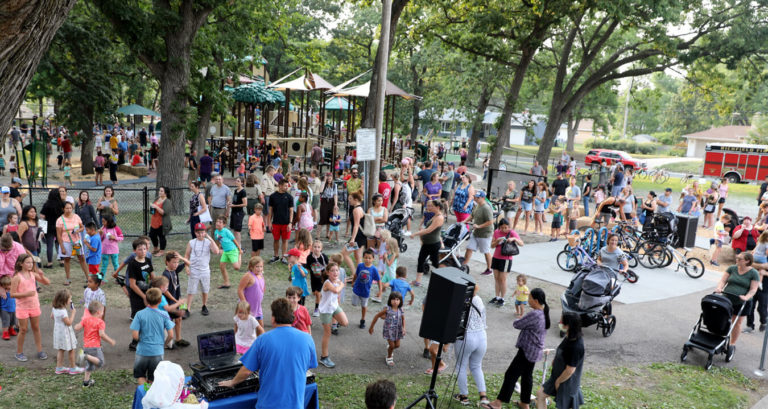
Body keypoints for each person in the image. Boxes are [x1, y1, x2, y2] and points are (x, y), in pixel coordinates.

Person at [220, 299, 318, 409]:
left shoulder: (263, 340)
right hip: (295, 405)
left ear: (273, 318)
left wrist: (233, 382)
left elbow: (247, 371)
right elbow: (309, 365)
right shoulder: (307, 339)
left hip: (268, 404)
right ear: (292, 317)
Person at [482, 288, 550, 409]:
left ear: (535, 300)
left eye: (529, 298)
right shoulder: (543, 312)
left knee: (511, 375)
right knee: (527, 377)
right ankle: (525, 404)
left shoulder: (535, 314)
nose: (528, 300)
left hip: (527, 350)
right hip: (535, 351)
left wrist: (518, 318)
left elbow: (517, 324)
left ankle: (498, 403)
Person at [535, 312, 585, 409]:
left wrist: (558, 381)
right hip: (557, 376)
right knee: (540, 394)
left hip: (566, 381)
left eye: (562, 321)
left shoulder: (576, 346)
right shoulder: (569, 336)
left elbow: (570, 370)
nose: (560, 322)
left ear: (568, 325)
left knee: (565, 406)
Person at [451, 285, 489, 406]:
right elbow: (483, 318)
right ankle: (483, 396)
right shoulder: (478, 299)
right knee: (477, 366)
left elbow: (456, 322)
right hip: (482, 336)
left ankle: (464, 396)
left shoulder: (459, 302)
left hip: (467, 337)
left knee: (461, 366)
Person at [130, 288, 174, 385]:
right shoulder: (164, 314)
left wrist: (142, 341)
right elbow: (171, 335)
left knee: (140, 376)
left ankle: (144, 394)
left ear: (146, 299)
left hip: (142, 351)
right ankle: (151, 397)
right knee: (154, 378)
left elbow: (135, 335)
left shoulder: (139, 314)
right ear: (159, 301)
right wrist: (164, 344)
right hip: (158, 352)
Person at [11, 254, 50, 361]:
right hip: (22, 307)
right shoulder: (16, 277)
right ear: (20, 264)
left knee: (36, 328)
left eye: (31, 262)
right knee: (23, 330)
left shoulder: (33, 274)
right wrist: (26, 294)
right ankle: (19, 353)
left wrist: (41, 275)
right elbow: (12, 294)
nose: (30, 264)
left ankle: (40, 351)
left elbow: (47, 282)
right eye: (27, 262)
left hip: (34, 305)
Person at [74, 300, 115, 387]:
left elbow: (77, 327)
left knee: (90, 365)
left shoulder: (86, 319)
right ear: (98, 312)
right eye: (103, 311)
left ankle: (86, 382)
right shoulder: (100, 322)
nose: (103, 313)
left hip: (86, 346)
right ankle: (85, 356)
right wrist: (110, 340)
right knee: (100, 362)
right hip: (95, 347)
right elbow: (102, 334)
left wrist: (79, 324)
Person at [184, 223, 221, 318]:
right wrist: (187, 267)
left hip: (205, 270)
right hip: (194, 270)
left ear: (205, 232)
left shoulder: (208, 242)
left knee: (205, 289)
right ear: (195, 233)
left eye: (202, 232)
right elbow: (186, 255)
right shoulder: (191, 242)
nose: (200, 234)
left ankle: (204, 305)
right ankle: (187, 308)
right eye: (198, 232)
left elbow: (216, 251)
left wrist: (209, 237)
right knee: (191, 290)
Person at [318, 262, 348, 368]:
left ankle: (333, 320)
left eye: (337, 270)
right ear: (327, 273)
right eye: (332, 270)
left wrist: (341, 284)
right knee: (328, 333)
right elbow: (336, 290)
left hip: (334, 307)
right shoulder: (327, 283)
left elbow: (337, 296)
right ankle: (324, 357)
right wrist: (342, 284)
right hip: (326, 310)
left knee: (345, 322)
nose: (335, 272)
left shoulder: (338, 281)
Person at [411, 200, 445, 287]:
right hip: (427, 243)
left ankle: (445, 278)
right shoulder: (435, 215)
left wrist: (415, 234)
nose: (429, 207)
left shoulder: (439, 217)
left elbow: (429, 230)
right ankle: (418, 281)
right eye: (428, 206)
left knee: (435, 263)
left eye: (431, 206)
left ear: (437, 207)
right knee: (421, 260)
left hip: (433, 244)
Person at [368, 291, 406, 367]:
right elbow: (377, 316)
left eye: (397, 300)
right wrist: (371, 327)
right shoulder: (387, 309)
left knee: (397, 345)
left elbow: (403, 319)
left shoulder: (400, 309)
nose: (395, 301)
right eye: (393, 299)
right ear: (390, 300)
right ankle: (389, 357)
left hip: (398, 330)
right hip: (389, 330)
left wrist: (403, 328)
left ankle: (390, 348)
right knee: (392, 346)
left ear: (400, 301)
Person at [51, 289, 83, 375]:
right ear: (64, 300)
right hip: (66, 333)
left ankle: (59, 367)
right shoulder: (63, 312)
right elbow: (68, 323)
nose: (71, 301)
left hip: (58, 331)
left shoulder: (54, 308)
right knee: (71, 349)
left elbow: (52, 317)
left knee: (61, 349)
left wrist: (59, 321)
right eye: (70, 299)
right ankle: (73, 368)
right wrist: (73, 313)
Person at [57, 201, 89, 286]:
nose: (69, 210)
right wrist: (62, 247)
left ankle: (88, 277)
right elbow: (59, 235)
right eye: (67, 208)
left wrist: (79, 230)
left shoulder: (76, 217)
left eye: (70, 208)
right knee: (67, 259)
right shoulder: (60, 220)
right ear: (63, 209)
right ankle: (68, 278)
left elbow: (82, 227)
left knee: (81, 258)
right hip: (66, 242)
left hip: (77, 241)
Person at [463, 191, 495, 276]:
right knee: (469, 248)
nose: (475, 198)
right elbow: (472, 215)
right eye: (475, 197)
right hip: (476, 232)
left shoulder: (486, 208)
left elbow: (490, 221)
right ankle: (463, 265)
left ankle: (489, 269)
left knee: (486, 251)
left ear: (483, 198)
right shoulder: (477, 206)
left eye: (477, 197)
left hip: (485, 234)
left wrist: (479, 226)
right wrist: (465, 221)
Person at [350, 249, 381, 329]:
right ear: (363, 258)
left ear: (373, 259)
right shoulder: (360, 265)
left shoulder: (374, 269)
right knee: (354, 304)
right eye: (366, 257)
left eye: (369, 258)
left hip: (366, 291)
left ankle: (363, 320)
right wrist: (353, 282)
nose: (367, 259)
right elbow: (356, 275)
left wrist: (380, 290)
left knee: (364, 306)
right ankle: (357, 301)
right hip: (356, 289)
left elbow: (378, 280)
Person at [268, 178, 294, 264]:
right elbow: (270, 211)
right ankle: (276, 256)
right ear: (280, 186)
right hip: (275, 222)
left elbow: (291, 211)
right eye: (285, 186)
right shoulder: (272, 196)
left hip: (286, 223)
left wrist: (290, 223)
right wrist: (269, 222)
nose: (287, 187)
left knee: (285, 240)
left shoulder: (289, 197)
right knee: (276, 240)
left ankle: (284, 257)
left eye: (287, 186)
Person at [214, 216, 242, 289]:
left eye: (220, 222)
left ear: (224, 224)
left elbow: (234, 240)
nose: (218, 223)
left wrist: (239, 249)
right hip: (225, 252)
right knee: (222, 266)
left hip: (232, 250)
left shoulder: (226, 231)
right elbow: (220, 240)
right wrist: (219, 248)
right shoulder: (216, 232)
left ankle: (239, 256)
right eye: (217, 222)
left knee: (237, 267)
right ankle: (226, 283)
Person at [238, 256, 266, 328]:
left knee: (260, 327)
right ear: (251, 267)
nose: (259, 269)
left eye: (261, 266)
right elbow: (240, 290)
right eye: (257, 266)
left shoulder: (261, 275)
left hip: (257, 307)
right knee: (246, 328)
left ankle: (260, 339)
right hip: (248, 308)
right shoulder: (248, 276)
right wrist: (245, 306)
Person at [40, 189, 65, 268]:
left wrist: (42, 228)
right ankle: (62, 261)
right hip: (60, 226)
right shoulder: (62, 204)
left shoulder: (47, 204)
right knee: (60, 243)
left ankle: (50, 263)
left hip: (49, 227)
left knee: (49, 245)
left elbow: (42, 216)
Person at [148, 186, 172, 256]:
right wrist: (151, 208)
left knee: (161, 236)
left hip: (162, 222)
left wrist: (156, 207)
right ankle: (156, 248)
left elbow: (164, 212)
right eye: (159, 191)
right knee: (152, 235)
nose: (159, 192)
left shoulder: (167, 201)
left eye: (161, 191)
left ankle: (161, 251)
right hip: (154, 221)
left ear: (165, 193)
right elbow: (153, 208)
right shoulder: (157, 198)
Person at [346, 192, 367, 265]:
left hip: (357, 237)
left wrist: (352, 239)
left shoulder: (356, 210)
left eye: (350, 199)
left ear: (356, 200)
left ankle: (354, 272)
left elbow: (356, 225)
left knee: (344, 254)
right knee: (358, 257)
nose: (349, 200)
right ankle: (358, 274)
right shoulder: (359, 208)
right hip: (360, 236)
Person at [230, 177, 248, 245]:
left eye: (238, 181)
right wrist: (231, 204)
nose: (236, 182)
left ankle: (239, 245)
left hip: (239, 213)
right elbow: (235, 201)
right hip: (233, 211)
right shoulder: (235, 190)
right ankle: (235, 244)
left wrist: (234, 206)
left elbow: (245, 204)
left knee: (237, 231)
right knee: (234, 230)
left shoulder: (243, 192)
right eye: (236, 180)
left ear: (242, 183)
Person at [0, 275, 17, 340]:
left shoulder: (13, 290)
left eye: (9, 284)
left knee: (12, 320)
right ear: (3, 285)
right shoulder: (2, 292)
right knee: (6, 321)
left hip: (13, 308)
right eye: (6, 285)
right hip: (4, 309)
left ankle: (11, 329)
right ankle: (5, 332)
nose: (8, 286)